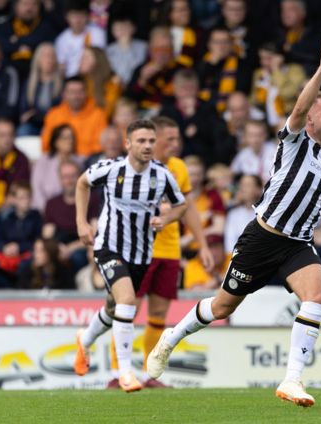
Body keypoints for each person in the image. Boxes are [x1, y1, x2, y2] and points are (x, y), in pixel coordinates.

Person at [147, 38, 321, 407]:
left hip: (297, 243)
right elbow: (300, 107)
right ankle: (171, 338)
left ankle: (292, 380)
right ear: (312, 117)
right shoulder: (294, 139)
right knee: (222, 308)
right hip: (263, 237)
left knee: (316, 296)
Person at [73, 119, 188, 392]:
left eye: (151, 141)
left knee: (114, 308)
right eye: (141, 141)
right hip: (109, 247)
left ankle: (85, 339)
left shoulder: (162, 175)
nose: (147, 146)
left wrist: (167, 218)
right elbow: (82, 183)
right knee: (127, 301)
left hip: (141, 254)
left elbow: (181, 206)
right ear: (128, 144)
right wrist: (80, 222)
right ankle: (125, 371)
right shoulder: (111, 169)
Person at [106, 116, 214, 388]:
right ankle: (118, 373)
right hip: (138, 248)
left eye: (177, 138)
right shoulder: (136, 168)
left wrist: (202, 244)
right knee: (128, 308)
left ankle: (146, 372)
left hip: (169, 250)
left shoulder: (178, 167)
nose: (175, 144)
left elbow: (187, 206)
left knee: (158, 315)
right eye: (170, 139)